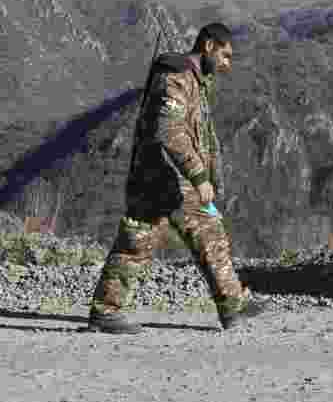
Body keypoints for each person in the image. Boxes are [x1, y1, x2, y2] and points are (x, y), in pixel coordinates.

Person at [88, 22, 265, 333]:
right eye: (224, 56)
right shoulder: (177, 78)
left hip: (162, 177)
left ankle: (231, 305)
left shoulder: (193, 80)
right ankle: (232, 305)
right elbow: (169, 131)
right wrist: (199, 176)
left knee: (171, 238)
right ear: (208, 46)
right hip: (167, 179)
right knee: (182, 238)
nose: (227, 65)